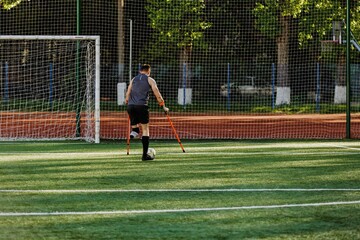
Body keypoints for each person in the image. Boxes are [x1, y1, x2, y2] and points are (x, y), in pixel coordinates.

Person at [125, 64, 169, 161]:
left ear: (140, 71)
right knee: (145, 130)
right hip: (142, 106)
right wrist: (163, 106)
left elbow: (128, 93)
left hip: (131, 107)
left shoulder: (133, 79)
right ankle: (144, 155)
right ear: (148, 72)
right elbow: (156, 92)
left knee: (135, 127)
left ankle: (134, 132)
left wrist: (127, 102)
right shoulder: (150, 80)